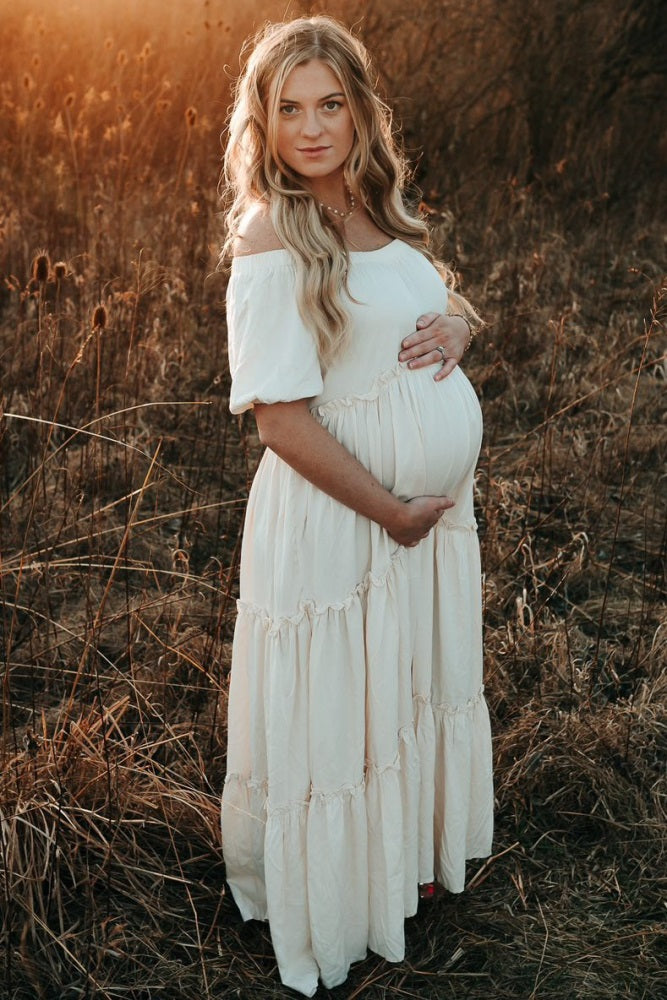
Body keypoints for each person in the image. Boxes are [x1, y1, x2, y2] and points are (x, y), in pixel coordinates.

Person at [219, 15, 493, 997]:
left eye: (329, 102)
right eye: (289, 107)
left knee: (399, 690)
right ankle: (334, 905)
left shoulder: (380, 204)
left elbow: (417, 305)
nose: (312, 125)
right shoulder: (269, 233)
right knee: (343, 713)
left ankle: (398, 866)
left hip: (416, 530)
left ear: (359, 110)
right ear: (265, 120)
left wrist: (459, 323)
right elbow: (282, 425)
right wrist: (388, 507)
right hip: (345, 522)